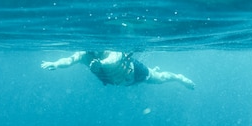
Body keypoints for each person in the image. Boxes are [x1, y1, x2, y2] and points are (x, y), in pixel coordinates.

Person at [41, 51, 195, 89]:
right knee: (149, 80)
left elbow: (115, 58)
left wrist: (101, 64)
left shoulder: (107, 51)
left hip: (135, 72)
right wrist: (55, 63)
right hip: (123, 82)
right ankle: (153, 70)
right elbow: (69, 60)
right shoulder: (83, 55)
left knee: (159, 78)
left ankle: (178, 77)